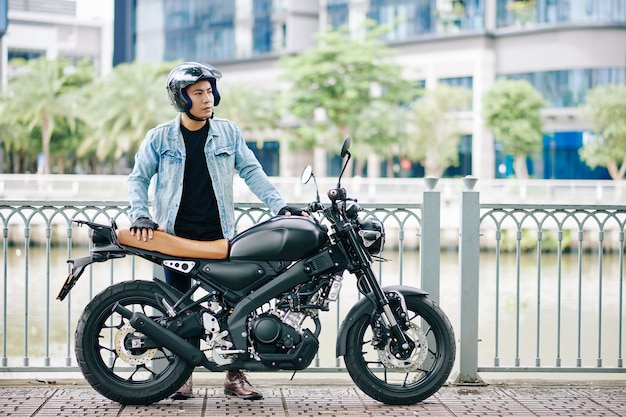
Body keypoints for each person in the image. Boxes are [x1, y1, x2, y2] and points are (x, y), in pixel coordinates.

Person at [127, 62, 305, 401]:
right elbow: (137, 177)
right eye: (198, 93)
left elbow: (252, 171)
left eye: (210, 92)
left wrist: (279, 206)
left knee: (235, 306)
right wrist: (140, 214)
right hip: (176, 238)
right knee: (178, 311)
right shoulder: (160, 137)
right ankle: (180, 378)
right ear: (181, 99)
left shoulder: (229, 133)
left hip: (219, 237)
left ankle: (234, 377)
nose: (207, 99)